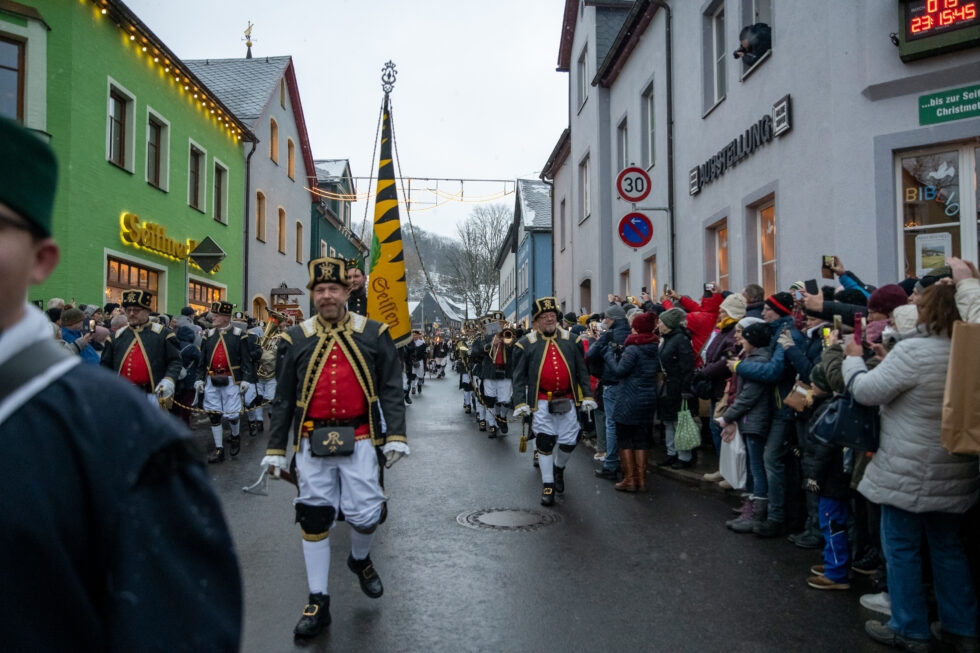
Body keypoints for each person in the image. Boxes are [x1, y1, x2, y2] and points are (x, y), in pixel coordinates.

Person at [0, 116, 241, 650]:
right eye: (128, 312)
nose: (131, 317)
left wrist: (175, 381)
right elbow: (112, 364)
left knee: (225, 417)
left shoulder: (127, 442)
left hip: (157, 400)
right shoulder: (116, 343)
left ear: (41, 260)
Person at [260, 255, 408, 640]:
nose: (327, 295)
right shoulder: (294, 338)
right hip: (311, 442)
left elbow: (392, 387)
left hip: (360, 439)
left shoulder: (374, 333)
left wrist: (396, 436)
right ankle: (317, 599)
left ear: (347, 291)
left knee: (367, 514)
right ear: (312, 295)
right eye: (320, 289)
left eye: (334, 289)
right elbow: (283, 398)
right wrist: (277, 447)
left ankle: (360, 560)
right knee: (313, 516)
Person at [842, 284, 979, 652]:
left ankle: (910, 627)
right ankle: (962, 627)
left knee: (901, 547)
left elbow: (867, 391)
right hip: (955, 465)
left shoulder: (915, 351)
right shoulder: (967, 351)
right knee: (948, 548)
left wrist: (853, 360)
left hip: (910, 468)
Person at [512, 297, 596, 506]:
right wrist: (520, 402)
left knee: (570, 440)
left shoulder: (572, 340)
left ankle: (559, 468)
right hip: (541, 401)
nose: (549, 319)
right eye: (544, 316)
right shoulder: (526, 344)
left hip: (567, 399)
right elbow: (518, 377)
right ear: (536, 321)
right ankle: (547, 484)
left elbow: (581, 372)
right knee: (545, 441)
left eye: (552, 316)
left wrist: (586, 396)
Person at [722, 321, 773, 533]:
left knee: (756, 469)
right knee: (753, 468)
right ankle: (750, 508)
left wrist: (729, 416)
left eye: (744, 336)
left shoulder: (758, 362)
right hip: (750, 419)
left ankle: (755, 513)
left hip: (755, 420)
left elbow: (749, 395)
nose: (740, 339)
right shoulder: (751, 359)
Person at [601, 311, 660, 492]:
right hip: (647, 398)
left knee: (625, 439)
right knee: (641, 440)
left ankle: (629, 479)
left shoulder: (633, 349)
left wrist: (609, 355)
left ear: (637, 328)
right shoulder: (653, 347)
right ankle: (641, 480)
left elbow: (620, 371)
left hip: (629, 398)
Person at [194, 301, 256, 463]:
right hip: (211, 379)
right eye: (213, 315)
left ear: (226, 317)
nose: (213, 318)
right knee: (213, 414)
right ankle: (219, 449)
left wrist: (246, 379)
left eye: (216, 315)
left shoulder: (238, 335)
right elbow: (202, 360)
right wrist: (199, 379)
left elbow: (246, 360)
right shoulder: (208, 335)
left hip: (231, 379)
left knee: (233, 414)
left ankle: (235, 437)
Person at [99, 289, 182, 406]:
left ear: (147, 312)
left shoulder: (163, 334)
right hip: (123, 393)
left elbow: (175, 361)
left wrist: (169, 379)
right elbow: (105, 365)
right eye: (128, 310)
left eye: (136, 310)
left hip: (152, 395)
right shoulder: (116, 337)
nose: (132, 313)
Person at [587, 302, 630, 480]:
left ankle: (611, 463)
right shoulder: (631, 333)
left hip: (611, 382)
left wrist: (599, 371)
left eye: (606, 319)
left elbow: (590, 355)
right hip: (630, 385)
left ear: (611, 319)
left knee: (611, 423)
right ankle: (628, 464)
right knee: (626, 424)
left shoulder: (609, 336)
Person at [656, 307, 696, 469]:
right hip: (668, 385)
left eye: (660, 322)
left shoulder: (680, 339)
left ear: (668, 324)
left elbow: (687, 367)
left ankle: (684, 456)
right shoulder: (668, 338)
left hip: (678, 387)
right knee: (668, 421)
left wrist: (685, 389)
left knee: (680, 422)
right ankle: (671, 453)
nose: (658, 324)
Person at [481, 312, 515, 437]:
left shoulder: (510, 334)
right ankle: (492, 425)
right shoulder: (487, 335)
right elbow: (477, 350)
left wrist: (508, 343)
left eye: (501, 323)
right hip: (490, 371)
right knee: (490, 400)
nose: (499, 325)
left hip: (505, 371)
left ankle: (502, 417)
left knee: (506, 400)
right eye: (497, 323)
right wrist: (490, 344)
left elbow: (516, 350)